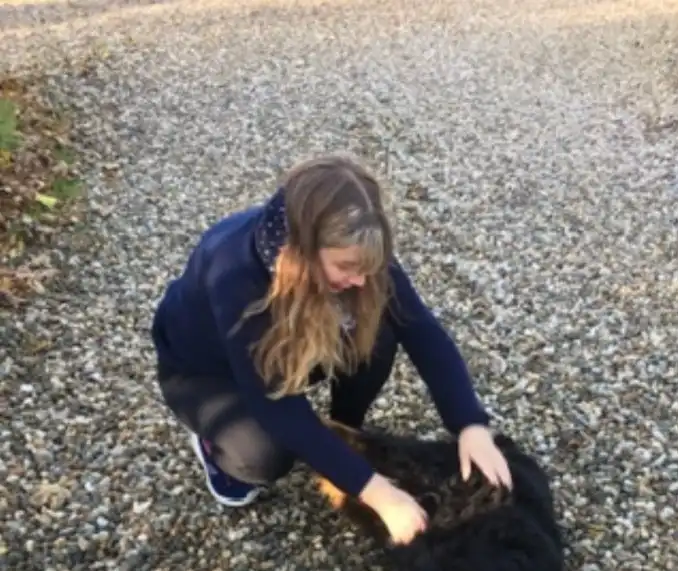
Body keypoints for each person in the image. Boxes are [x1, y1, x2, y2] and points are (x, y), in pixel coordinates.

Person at [150, 154, 512, 545]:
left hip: (286, 336)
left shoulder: (354, 246)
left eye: (368, 267)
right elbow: (276, 403)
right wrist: (379, 493)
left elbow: (422, 331)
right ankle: (214, 447)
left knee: (378, 333)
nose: (360, 280)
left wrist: (470, 425)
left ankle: (340, 437)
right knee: (264, 458)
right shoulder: (234, 275)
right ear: (303, 251)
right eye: (346, 267)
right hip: (207, 371)